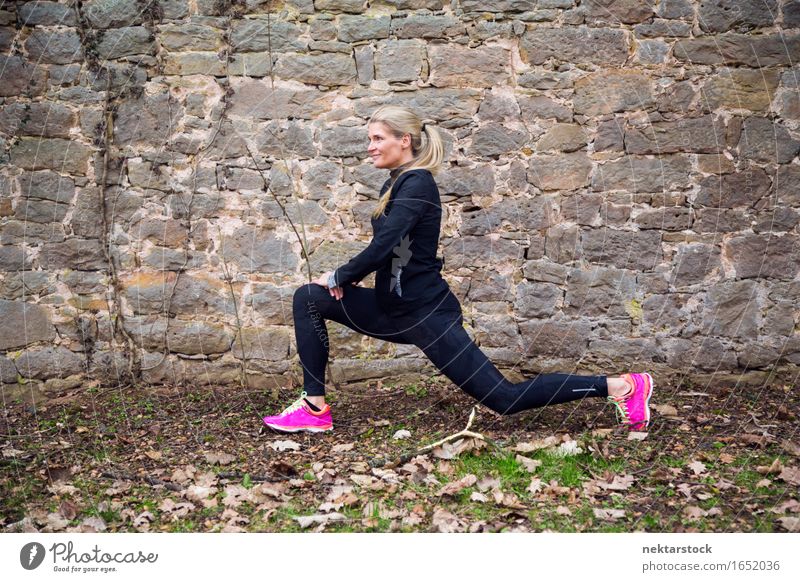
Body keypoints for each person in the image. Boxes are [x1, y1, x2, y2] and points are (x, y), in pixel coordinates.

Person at [262, 105, 654, 434]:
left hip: (426, 315)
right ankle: (314, 410)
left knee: (504, 398)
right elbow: (394, 249)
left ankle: (622, 387)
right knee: (309, 298)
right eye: (370, 139)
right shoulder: (396, 184)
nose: (370, 147)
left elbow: (384, 246)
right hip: (391, 309)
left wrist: (339, 277)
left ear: (406, 140)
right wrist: (336, 284)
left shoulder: (417, 184)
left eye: (378, 138)